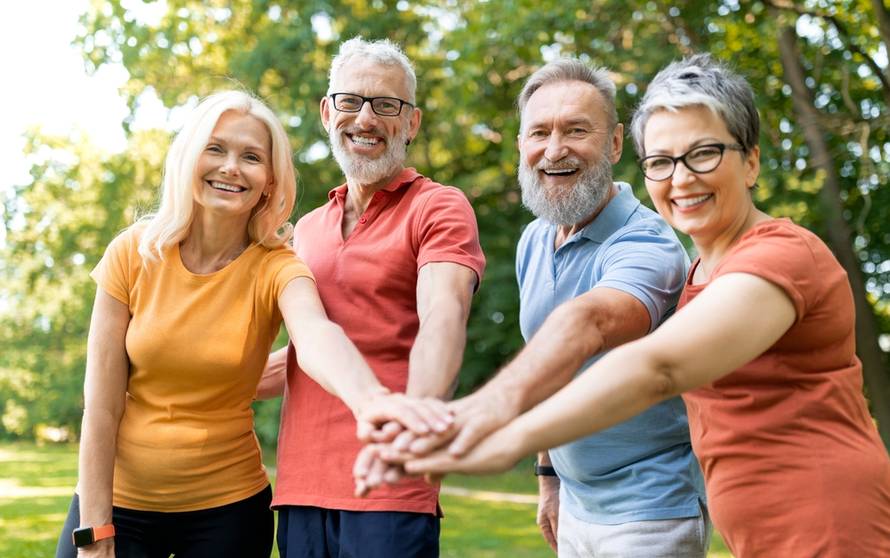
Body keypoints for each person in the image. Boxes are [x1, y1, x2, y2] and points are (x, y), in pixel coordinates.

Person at [403, 54, 890, 557]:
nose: (681, 179)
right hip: (760, 529)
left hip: (824, 524)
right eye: (662, 162)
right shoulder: (702, 272)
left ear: (751, 161)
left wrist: (503, 428)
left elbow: (655, 366)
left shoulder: (779, 257)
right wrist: (548, 473)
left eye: (703, 154)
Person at [55, 90, 450, 558]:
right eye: (215, 149)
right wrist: (96, 531)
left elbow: (317, 336)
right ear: (189, 159)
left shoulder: (277, 266)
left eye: (251, 157)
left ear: (268, 180)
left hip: (228, 512)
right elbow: (100, 408)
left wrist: (370, 402)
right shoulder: (133, 253)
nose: (231, 167)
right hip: (118, 504)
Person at [354, 58, 709, 557]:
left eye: (576, 130)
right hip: (576, 504)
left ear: (613, 143)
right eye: (539, 132)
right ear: (521, 145)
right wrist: (549, 478)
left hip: (649, 510)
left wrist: (480, 413)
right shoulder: (535, 238)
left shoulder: (649, 244)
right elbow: (548, 359)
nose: (555, 149)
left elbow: (588, 323)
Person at [257, 37, 485, 558]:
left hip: (390, 486)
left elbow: (442, 317)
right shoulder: (306, 229)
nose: (366, 118)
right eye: (351, 101)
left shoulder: (438, 206)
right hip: (298, 490)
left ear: (411, 123)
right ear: (326, 111)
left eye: (387, 105)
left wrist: (409, 428)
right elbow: (305, 356)